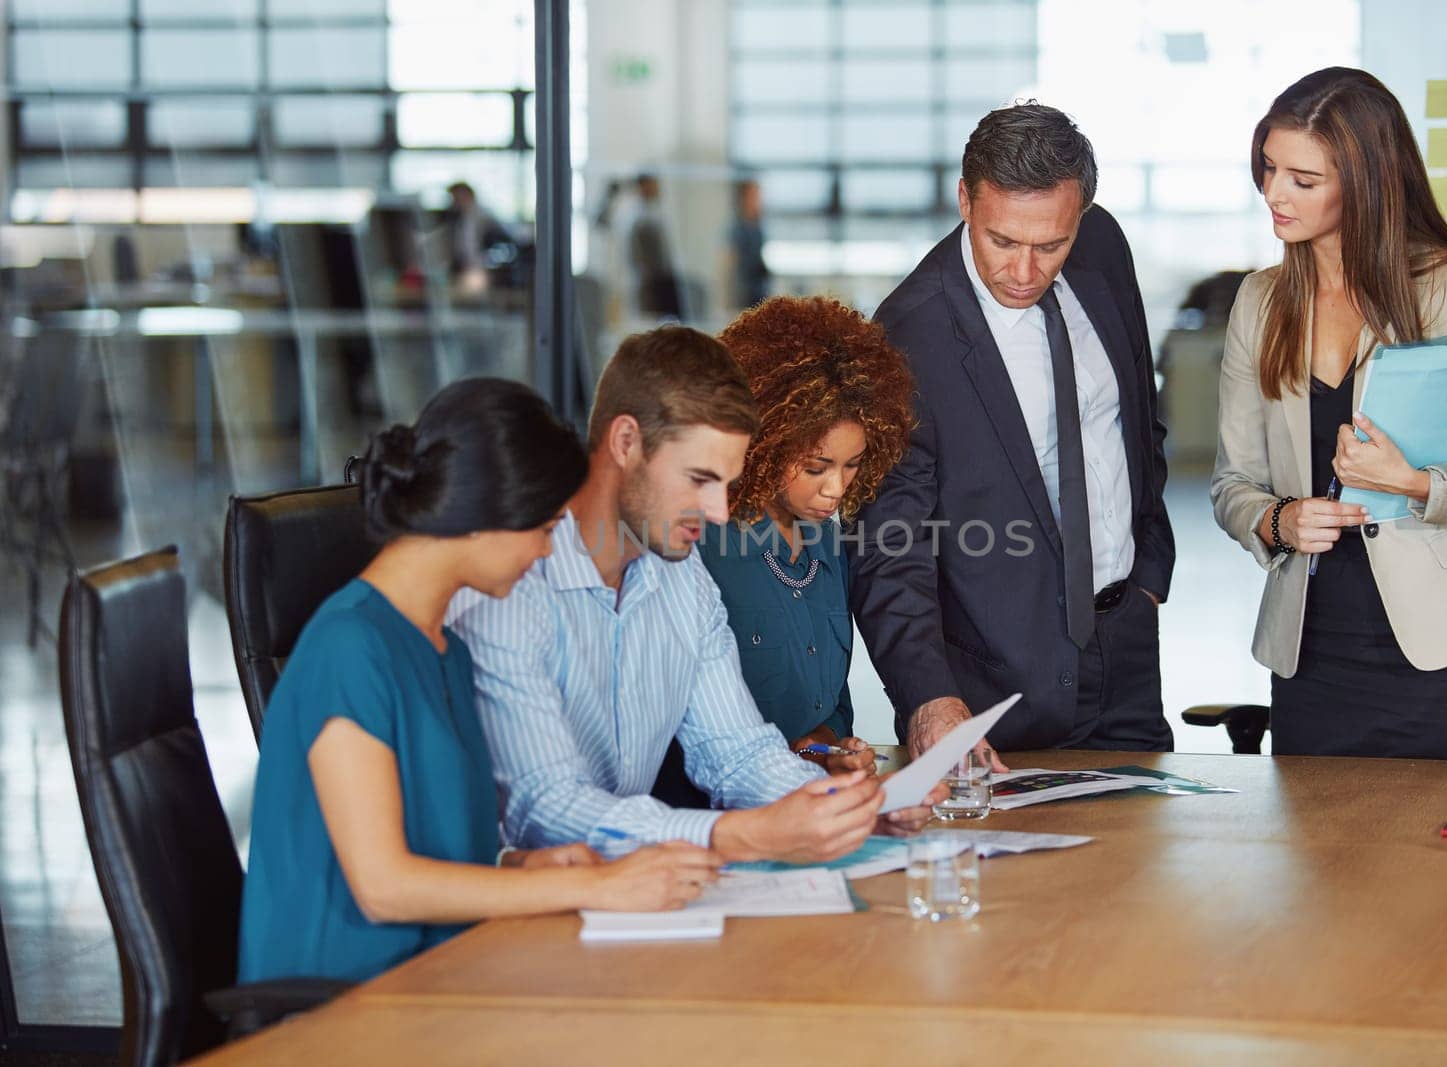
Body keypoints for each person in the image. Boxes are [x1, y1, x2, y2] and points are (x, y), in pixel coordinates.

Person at [238, 379, 722, 984]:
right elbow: (385, 886)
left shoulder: (444, 647)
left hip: (449, 975)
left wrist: (519, 864)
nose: (548, 553)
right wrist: (595, 883)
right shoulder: (350, 648)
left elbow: (432, 842)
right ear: (483, 517)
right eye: (545, 528)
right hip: (348, 1005)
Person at [449, 327, 941, 864]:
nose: (720, 513)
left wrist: (851, 809)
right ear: (625, 442)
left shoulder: (682, 580)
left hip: (635, 891)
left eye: (725, 484)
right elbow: (543, 808)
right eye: (698, 479)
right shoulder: (509, 585)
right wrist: (736, 836)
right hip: (507, 913)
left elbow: (737, 753)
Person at [1211, 67, 1447, 759]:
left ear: (1365, 183)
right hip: (1311, 658)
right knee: (1319, 866)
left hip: (1444, 658)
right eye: (1269, 168)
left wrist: (1419, 482)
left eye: (1303, 180)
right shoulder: (1261, 299)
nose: (1274, 193)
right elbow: (1231, 483)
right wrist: (1278, 519)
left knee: (1441, 866)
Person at [848, 103, 1176, 763]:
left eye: (1049, 245)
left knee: (1140, 857)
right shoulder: (910, 334)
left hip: (1126, 649)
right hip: (993, 690)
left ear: (1080, 213)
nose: (1024, 272)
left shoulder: (1102, 246)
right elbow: (889, 544)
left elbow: (1135, 417)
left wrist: (1148, 573)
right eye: (1002, 241)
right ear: (965, 199)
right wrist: (927, 696)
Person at [700, 296, 916, 774]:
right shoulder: (702, 549)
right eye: (816, 467)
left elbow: (832, 709)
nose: (837, 488)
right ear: (762, 443)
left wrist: (825, 747)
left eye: (853, 464)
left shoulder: (828, 543)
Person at [627, 173, 683, 319]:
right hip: (650, 281)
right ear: (643, 186)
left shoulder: (657, 212)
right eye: (652, 184)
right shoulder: (639, 217)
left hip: (662, 279)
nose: (656, 188)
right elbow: (639, 256)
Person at [444, 181, 516, 289]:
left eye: (455, 197)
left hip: (481, 269)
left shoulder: (480, 216)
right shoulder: (463, 216)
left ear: (466, 195)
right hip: (472, 267)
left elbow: (471, 246)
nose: (453, 202)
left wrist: (472, 267)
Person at [727, 178, 771, 310]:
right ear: (744, 199)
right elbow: (729, 266)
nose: (759, 201)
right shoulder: (736, 229)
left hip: (758, 292)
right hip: (742, 295)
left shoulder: (758, 227)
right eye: (755, 196)